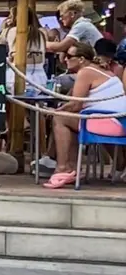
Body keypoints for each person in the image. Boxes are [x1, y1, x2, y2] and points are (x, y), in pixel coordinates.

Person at [46, 41, 126, 189]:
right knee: (70, 119)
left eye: (69, 56)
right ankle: (73, 167)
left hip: (109, 122)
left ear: (81, 59)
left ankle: (63, 167)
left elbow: (76, 104)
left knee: (60, 119)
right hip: (118, 121)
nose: (64, 59)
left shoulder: (86, 72)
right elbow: (75, 101)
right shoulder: (100, 71)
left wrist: (55, 111)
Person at [5, 7, 47, 94]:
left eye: (11, 16)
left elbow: (11, 54)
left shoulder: (12, 31)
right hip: (39, 76)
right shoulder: (42, 33)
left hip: (16, 75)